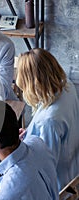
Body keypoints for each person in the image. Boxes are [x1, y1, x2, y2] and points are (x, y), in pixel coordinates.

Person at [16, 48, 79, 190]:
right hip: (73, 164)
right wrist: (31, 133)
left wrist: (20, 148)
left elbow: (44, 166)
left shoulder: (49, 121)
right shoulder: (66, 85)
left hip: (57, 183)